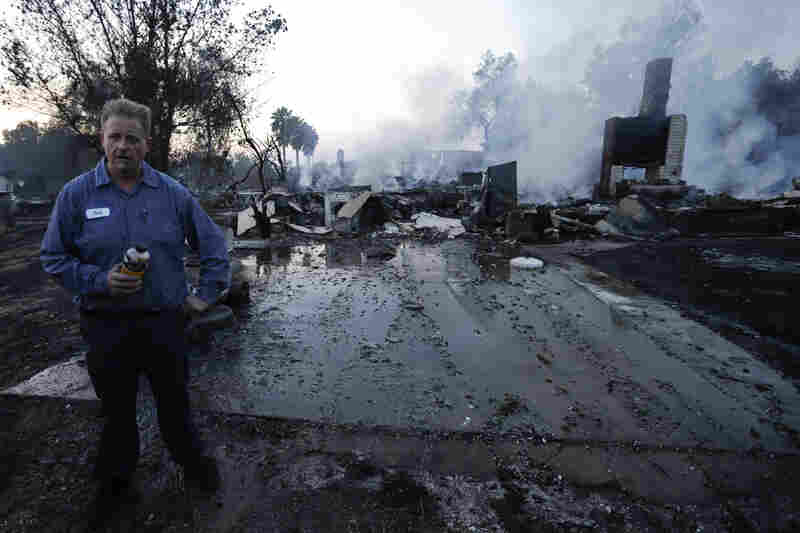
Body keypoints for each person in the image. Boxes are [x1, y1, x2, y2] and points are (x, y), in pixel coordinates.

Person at [40, 98, 231, 527]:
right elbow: (53, 257)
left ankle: (196, 469)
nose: (122, 146)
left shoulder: (172, 194)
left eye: (131, 138)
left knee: (175, 409)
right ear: (102, 140)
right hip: (105, 327)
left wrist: (205, 295)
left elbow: (214, 247)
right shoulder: (76, 196)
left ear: (146, 144)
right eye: (114, 137)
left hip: (165, 324)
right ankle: (116, 486)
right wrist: (99, 281)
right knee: (117, 415)